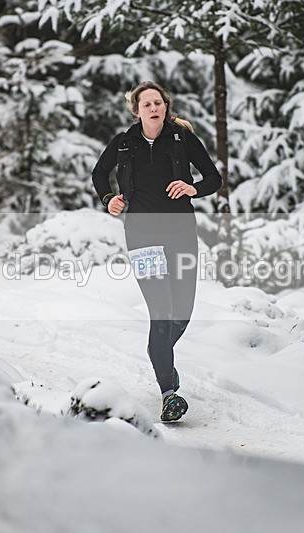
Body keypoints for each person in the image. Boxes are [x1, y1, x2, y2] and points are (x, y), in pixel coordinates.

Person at [92, 81, 222, 422]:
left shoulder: (182, 140)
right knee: (161, 314)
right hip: (142, 236)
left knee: (182, 312)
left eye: (158, 102)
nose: (153, 108)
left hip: (181, 235)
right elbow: (99, 174)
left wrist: (193, 187)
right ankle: (169, 392)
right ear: (137, 111)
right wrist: (110, 199)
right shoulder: (123, 143)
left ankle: (157, 350)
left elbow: (214, 178)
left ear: (165, 107)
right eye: (146, 103)